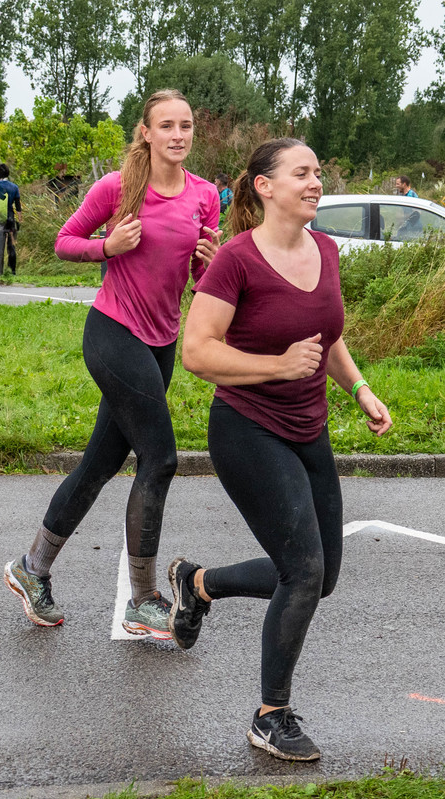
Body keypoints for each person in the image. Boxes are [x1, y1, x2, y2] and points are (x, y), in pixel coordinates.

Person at [168, 138, 392, 761]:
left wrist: (359, 388)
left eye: (318, 172)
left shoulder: (325, 248)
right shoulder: (236, 261)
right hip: (247, 428)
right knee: (304, 571)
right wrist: (276, 364)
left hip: (309, 426)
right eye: (302, 173)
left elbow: (328, 337)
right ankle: (271, 714)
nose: (315, 182)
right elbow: (196, 351)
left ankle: (199, 583)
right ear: (265, 186)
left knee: (321, 578)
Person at [4, 89, 221, 639]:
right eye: (166, 125)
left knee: (101, 463)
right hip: (112, 333)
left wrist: (209, 266)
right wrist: (109, 247)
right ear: (145, 132)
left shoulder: (203, 197)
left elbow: (198, 284)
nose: (178, 135)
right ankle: (144, 598)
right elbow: (63, 241)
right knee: (161, 456)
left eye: (186, 126)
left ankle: (33, 569)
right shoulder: (119, 188)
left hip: (161, 341)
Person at [0, 163, 22, 275]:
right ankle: (13, 270)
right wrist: (20, 220)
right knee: (11, 245)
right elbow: (18, 206)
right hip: (10, 219)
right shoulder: (14, 187)